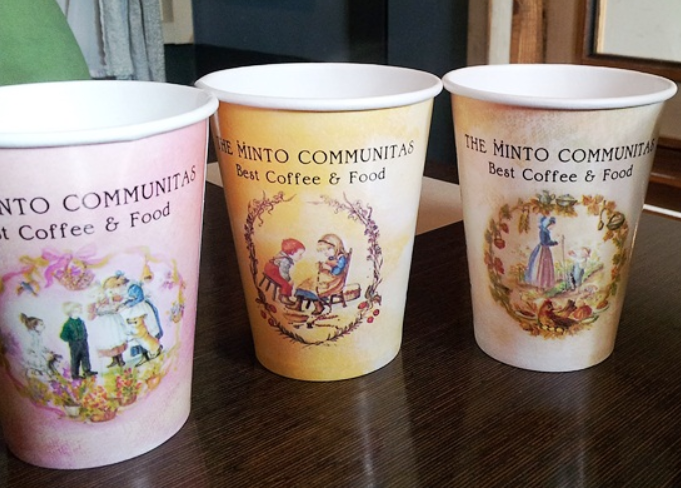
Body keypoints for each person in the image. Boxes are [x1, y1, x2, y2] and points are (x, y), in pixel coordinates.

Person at [59, 302, 97, 379]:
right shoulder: (68, 324)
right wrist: (72, 340)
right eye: (76, 310)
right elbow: (63, 336)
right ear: (71, 312)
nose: (79, 311)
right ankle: (75, 374)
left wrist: (85, 337)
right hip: (75, 344)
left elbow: (84, 331)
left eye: (79, 310)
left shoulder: (81, 321)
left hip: (83, 342)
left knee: (85, 356)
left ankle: (87, 371)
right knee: (75, 359)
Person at [263, 238, 305, 305]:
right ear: (292, 252)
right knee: (286, 283)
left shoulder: (284, 255)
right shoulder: (285, 260)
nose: (301, 257)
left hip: (269, 267)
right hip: (273, 271)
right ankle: (284, 297)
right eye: (300, 254)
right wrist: (288, 280)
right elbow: (283, 272)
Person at [525, 216, 558, 290]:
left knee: (546, 267)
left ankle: (545, 285)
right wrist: (554, 243)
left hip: (546, 250)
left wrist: (554, 242)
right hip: (543, 250)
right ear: (548, 224)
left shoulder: (546, 231)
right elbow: (544, 242)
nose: (552, 227)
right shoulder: (543, 232)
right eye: (552, 225)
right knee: (541, 266)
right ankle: (540, 285)